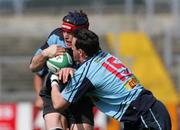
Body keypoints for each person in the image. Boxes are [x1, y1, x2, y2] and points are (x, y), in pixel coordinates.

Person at [50, 28, 172, 130]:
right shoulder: (105, 55)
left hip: (144, 116)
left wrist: (54, 79)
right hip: (142, 113)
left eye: (73, 48)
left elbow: (58, 104)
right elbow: (97, 75)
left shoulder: (86, 73)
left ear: (81, 52)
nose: (71, 49)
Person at [29, 11, 94, 130]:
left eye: (71, 32)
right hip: (54, 91)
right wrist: (45, 53)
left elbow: (94, 78)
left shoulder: (91, 46)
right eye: (64, 31)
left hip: (80, 96)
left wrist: (75, 71)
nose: (65, 36)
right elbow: (33, 67)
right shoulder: (56, 37)